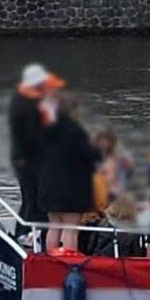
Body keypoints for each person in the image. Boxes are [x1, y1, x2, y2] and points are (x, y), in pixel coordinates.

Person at [37, 92, 102, 253]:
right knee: (70, 229)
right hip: (70, 189)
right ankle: (68, 262)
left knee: (54, 226)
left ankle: (50, 260)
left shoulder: (46, 131)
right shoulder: (76, 132)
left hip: (48, 187)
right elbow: (93, 156)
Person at [8, 63, 61, 224]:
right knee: (37, 204)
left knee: (28, 201)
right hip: (32, 163)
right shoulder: (29, 106)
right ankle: (32, 237)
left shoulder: (19, 100)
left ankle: (22, 233)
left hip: (22, 159)